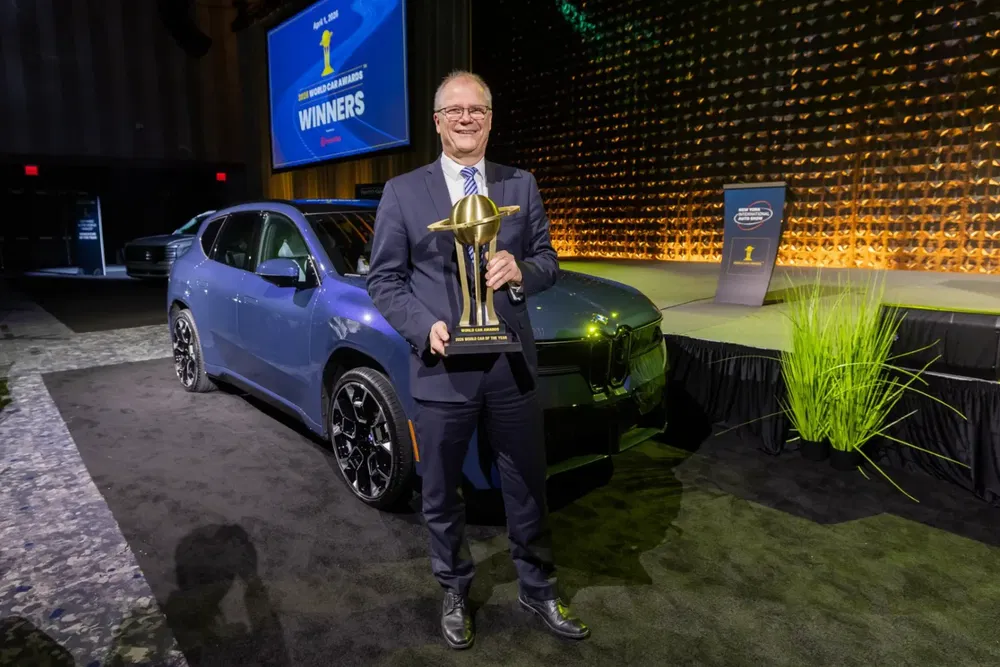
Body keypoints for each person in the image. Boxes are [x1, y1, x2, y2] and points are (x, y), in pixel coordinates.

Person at [366, 70, 590, 649]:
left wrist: (523, 273)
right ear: (437, 122)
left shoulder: (521, 184)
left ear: (490, 119)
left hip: (509, 363)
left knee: (526, 484)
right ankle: (455, 589)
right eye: (455, 110)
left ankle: (537, 587)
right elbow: (385, 281)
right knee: (441, 490)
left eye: (478, 110)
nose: (467, 119)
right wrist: (424, 326)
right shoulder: (403, 192)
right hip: (442, 365)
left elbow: (548, 260)